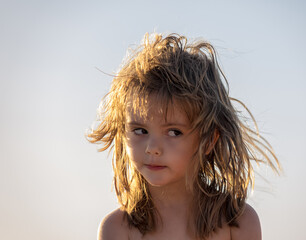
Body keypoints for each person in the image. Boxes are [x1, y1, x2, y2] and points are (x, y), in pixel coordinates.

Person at [88, 33, 280, 240]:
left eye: (173, 132)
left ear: (208, 140)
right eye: (140, 130)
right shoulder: (118, 229)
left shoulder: (238, 223)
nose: (152, 147)